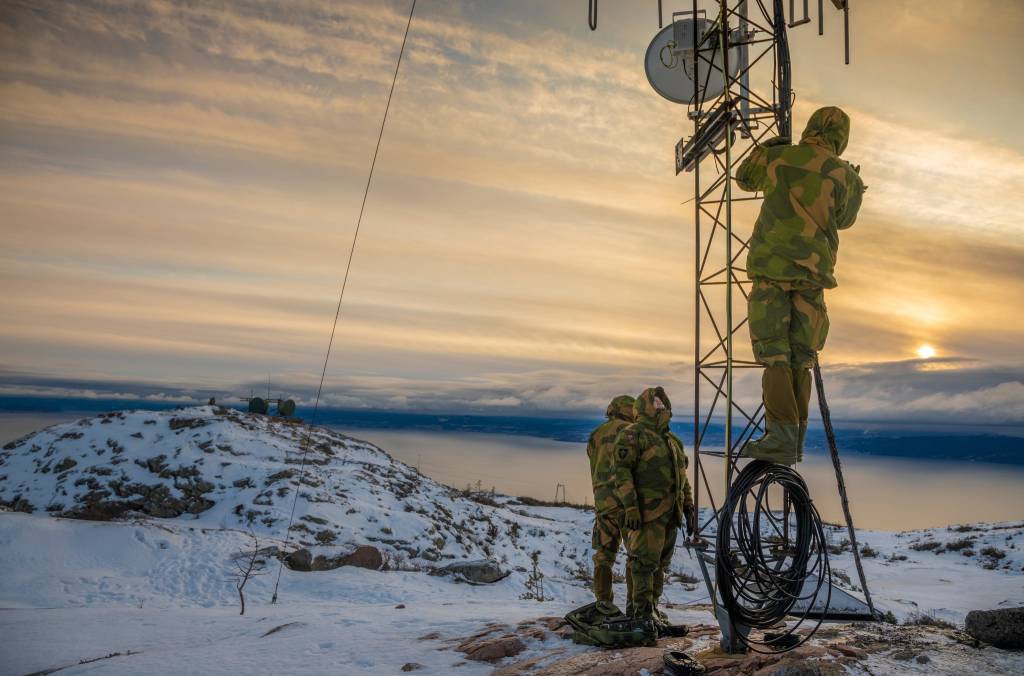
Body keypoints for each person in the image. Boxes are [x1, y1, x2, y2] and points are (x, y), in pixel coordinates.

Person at [735, 106, 865, 465]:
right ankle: (794, 442)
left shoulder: (780, 158)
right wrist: (850, 183)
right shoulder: (845, 176)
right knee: (801, 360)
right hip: (812, 276)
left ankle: (779, 438)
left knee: (775, 355)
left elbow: (745, 178)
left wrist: (768, 148)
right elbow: (846, 219)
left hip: (772, 271)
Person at [612, 387, 694, 640]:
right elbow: (622, 474)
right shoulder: (632, 435)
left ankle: (652, 613)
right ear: (644, 406)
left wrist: (689, 507)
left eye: (662, 402)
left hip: (670, 513)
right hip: (646, 515)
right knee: (643, 564)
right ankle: (641, 615)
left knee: (660, 566)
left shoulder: (673, 442)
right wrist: (632, 507)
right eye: (655, 402)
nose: (659, 405)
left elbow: (682, 477)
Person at [586, 395, 635, 607]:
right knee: (635, 557)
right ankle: (635, 607)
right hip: (628, 504)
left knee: (604, 556)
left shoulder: (595, 435)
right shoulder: (633, 433)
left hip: (603, 504)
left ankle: (603, 603)